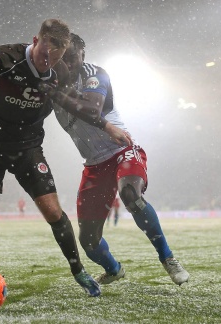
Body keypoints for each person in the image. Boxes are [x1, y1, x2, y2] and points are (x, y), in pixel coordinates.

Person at [0, 19, 131, 297]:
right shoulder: (5, 56)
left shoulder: (58, 71)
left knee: (53, 212)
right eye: (43, 55)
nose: (47, 63)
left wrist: (107, 125)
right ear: (35, 41)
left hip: (28, 149)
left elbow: (76, 104)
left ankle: (79, 271)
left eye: (56, 58)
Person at [48, 33, 190, 286]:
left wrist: (52, 93)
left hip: (121, 149)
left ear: (83, 55)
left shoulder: (94, 74)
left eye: (73, 58)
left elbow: (92, 109)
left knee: (130, 195)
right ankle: (114, 270)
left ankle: (168, 258)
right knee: (88, 241)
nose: (68, 64)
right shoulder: (50, 80)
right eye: (63, 58)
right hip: (93, 165)